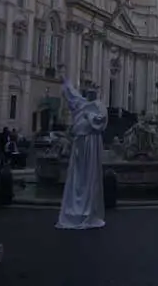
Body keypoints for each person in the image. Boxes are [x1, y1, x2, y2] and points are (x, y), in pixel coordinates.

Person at [56, 78, 109, 229]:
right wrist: (66, 83)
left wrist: (88, 117)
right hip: (82, 143)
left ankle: (86, 209)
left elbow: (101, 122)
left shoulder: (97, 106)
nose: (90, 94)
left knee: (88, 175)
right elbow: (71, 94)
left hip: (90, 143)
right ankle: (80, 208)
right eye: (89, 92)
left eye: (93, 92)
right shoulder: (82, 103)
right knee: (79, 175)